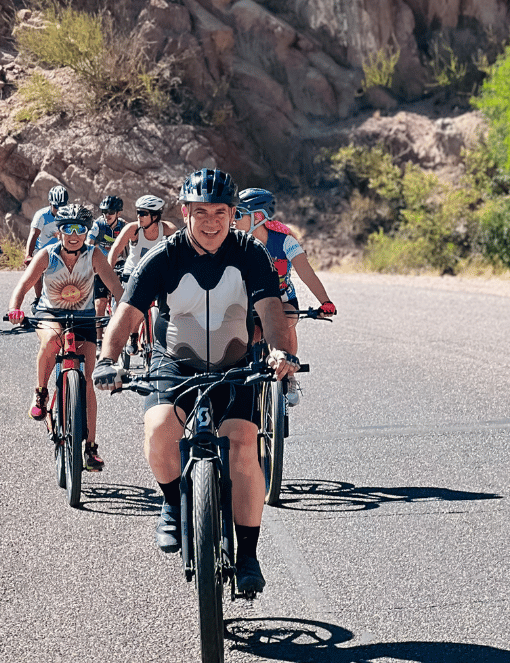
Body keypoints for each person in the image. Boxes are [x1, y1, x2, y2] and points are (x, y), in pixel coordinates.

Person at [92, 168, 299, 595]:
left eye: (220, 212)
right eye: (200, 211)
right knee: (158, 430)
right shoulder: (163, 256)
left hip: (236, 365)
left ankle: (248, 556)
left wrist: (281, 352)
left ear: (232, 214)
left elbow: (272, 313)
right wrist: (107, 359)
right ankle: (173, 506)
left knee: (243, 443)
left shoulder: (250, 253)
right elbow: (127, 313)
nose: (210, 222)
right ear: (184, 212)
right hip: (176, 365)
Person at [8, 204, 123, 472]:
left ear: (86, 231)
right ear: (59, 231)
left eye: (80, 229)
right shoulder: (47, 255)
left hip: (83, 318)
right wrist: (15, 308)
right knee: (50, 342)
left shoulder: (94, 255)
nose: (73, 234)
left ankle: (90, 448)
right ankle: (41, 393)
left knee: (88, 382)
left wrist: (124, 312)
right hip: (50, 313)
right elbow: (23, 286)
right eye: (67, 228)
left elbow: (116, 288)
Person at [234, 188, 336, 403]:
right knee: (250, 337)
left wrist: (324, 302)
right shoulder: (234, 243)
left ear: (258, 217)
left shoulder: (284, 242)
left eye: (238, 213)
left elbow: (306, 273)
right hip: (248, 304)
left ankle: (288, 375)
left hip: (282, 301)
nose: (232, 219)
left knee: (286, 319)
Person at [107, 194, 178, 353]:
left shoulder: (168, 229)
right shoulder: (133, 229)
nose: (139, 216)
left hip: (156, 274)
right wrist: (108, 272)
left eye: (143, 213)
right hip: (132, 273)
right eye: (138, 212)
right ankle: (133, 336)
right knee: (138, 305)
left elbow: (181, 251)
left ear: (155, 216)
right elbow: (115, 250)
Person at [86, 195, 126, 352]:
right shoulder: (98, 225)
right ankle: (99, 339)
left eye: (111, 211)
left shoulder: (124, 226)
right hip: (101, 265)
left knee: (124, 300)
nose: (107, 215)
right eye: (104, 211)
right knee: (100, 304)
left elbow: (132, 247)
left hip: (119, 264)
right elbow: (89, 244)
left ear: (118, 213)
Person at [23, 185, 70, 306]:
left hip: (61, 250)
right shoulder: (41, 215)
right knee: (36, 269)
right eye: (56, 207)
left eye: (62, 207)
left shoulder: (70, 215)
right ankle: (38, 297)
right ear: (50, 203)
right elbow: (33, 235)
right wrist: (28, 255)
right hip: (42, 250)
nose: (59, 210)